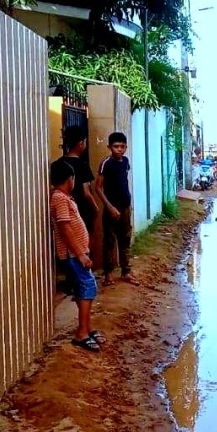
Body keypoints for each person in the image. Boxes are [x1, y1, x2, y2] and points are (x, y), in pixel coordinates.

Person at [50, 160, 105, 352]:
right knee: (87, 287)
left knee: (86, 288)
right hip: (73, 255)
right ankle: (81, 334)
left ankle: (87, 329)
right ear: (69, 179)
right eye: (74, 178)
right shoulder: (59, 198)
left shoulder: (65, 198)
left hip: (76, 253)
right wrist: (81, 254)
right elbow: (64, 227)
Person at [96, 132, 136, 286]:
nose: (119, 149)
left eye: (122, 146)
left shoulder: (126, 161)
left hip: (125, 207)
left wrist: (128, 205)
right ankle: (108, 275)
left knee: (125, 240)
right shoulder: (106, 163)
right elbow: (98, 188)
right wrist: (110, 207)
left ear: (126, 147)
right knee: (109, 242)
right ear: (109, 147)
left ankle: (126, 272)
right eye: (115, 146)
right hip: (111, 208)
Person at [55, 126, 99, 240]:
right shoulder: (82, 165)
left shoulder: (58, 163)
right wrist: (95, 208)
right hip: (82, 209)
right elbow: (86, 193)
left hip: (63, 209)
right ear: (81, 143)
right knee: (85, 240)